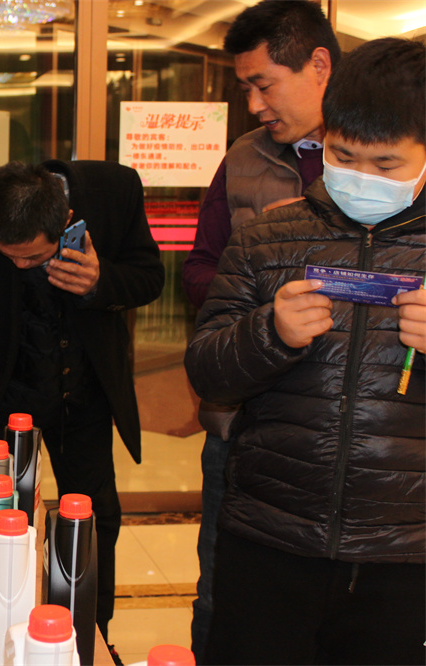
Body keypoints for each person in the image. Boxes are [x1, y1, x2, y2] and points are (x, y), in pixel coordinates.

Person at [184, 37, 425, 665]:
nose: (362, 179)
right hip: (268, 534)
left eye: (387, 165)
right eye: (344, 156)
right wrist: (269, 333)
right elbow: (207, 369)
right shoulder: (268, 236)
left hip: (404, 554)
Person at [0, 160, 164, 658]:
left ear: (66, 220)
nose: (19, 266)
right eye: (7, 255)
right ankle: (0, 634)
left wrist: (99, 281)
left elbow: (148, 278)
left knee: (92, 522)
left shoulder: (115, 191)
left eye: (32, 257)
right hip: (5, 397)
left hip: (84, 395)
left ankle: (89, 639)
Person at [179, 1, 340, 656]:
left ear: (319, 65)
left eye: (263, 84)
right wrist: (258, 273)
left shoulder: (393, 160)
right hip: (247, 424)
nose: (253, 105)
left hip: (358, 432)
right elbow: (199, 270)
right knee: (225, 598)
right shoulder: (244, 160)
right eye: (244, 87)